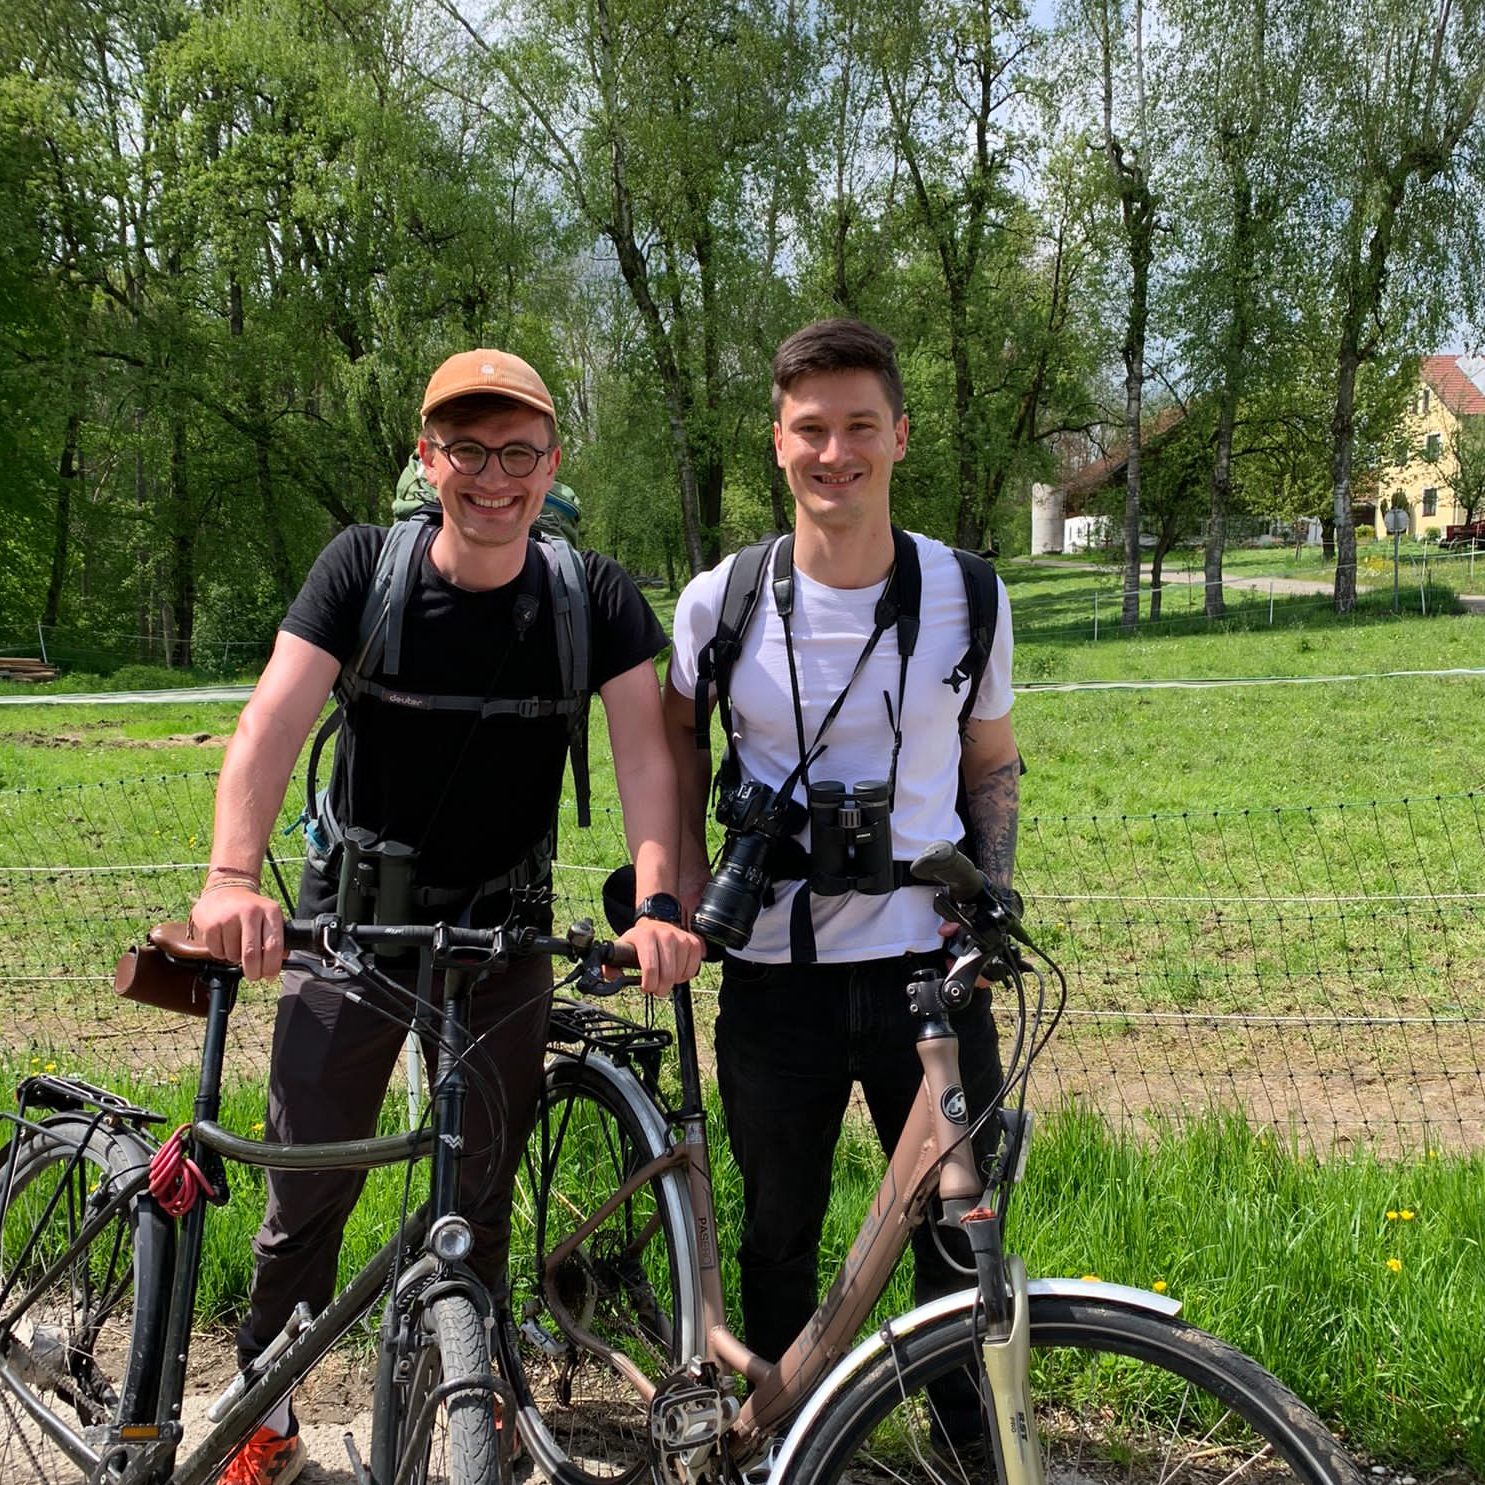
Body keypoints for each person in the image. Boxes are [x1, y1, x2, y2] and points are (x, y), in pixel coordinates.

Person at [191, 347, 703, 1485]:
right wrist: (233, 880)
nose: (492, 476)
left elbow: (645, 761)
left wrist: (661, 903)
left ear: (551, 463)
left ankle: (473, 1397)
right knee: (307, 1185)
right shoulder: (359, 570)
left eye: (517, 452)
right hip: (353, 928)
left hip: (503, 931)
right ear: (428, 460)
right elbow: (270, 722)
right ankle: (265, 1412)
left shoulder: (593, 596)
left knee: (479, 1190)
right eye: (466, 450)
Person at [663, 319, 1019, 1369]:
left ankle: (961, 1441)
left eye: (860, 425)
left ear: (901, 436)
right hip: (777, 975)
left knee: (962, 1229)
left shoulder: (970, 596)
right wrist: (679, 899)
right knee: (780, 1233)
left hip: (931, 975)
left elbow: (990, 762)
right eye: (810, 428)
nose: (836, 452)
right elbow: (675, 767)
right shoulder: (717, 604)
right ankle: (784, 1441)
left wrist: (991, 904)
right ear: (776, 441)